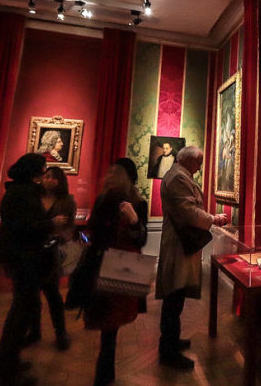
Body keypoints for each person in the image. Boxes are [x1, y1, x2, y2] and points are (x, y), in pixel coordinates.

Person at [156, 146, 228, 370]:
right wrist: (214, 219)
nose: (200, 167)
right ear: (187, 160)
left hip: (181, 240)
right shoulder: (178, 176)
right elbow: (187, 210)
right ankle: (168, 350)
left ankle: (171, 341)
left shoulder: (179, 174)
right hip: (179, 242)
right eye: (199, 162)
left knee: (176, 295)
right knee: (174, 295)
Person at [83, 157, 148, 386]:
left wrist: (133, 222)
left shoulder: (138, 203)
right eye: (109, 172)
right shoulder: (103, 200)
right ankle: (104, 371)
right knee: (106, 317)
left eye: (116, 173)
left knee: (114, 319)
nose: (110, 177)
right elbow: (90, 233)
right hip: (102, 262)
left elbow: (142, 238)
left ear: (127, 177)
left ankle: (104, 371)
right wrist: (87, 241)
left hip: (125, 264)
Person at [0, 153, 52, 386]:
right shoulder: (23, 193)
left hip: (23, 256)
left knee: (23, 310)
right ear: (33, 170)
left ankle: (10, 360)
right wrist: (50, 224)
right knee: (21, 313)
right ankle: (6, 368)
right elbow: (26, 227)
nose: (45, 171)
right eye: (43, 168)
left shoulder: (19, 190)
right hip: (24, 257)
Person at [23, 166, 75, 351]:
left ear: (60, 181)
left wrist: (60, 235)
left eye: (53, 177)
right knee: (32, 294)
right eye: (46, 176)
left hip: (52, 251)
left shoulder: (66, 201)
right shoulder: (34, 198)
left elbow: (70, 227)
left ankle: (60, 332)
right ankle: (34, 330)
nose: (49, 180)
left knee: (52, 293)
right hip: (32, 249)